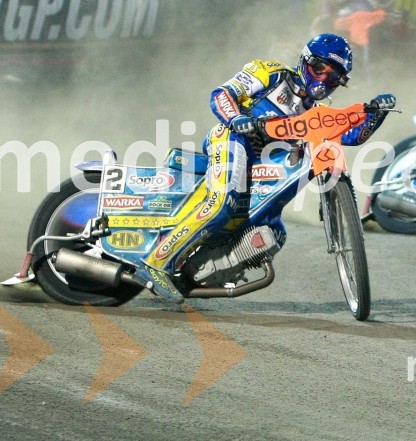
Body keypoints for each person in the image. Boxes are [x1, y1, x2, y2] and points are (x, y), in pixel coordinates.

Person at [136, 34, 396, 302]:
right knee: (224, 202)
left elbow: (351, 137)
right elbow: (222, 94)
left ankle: (194, 273)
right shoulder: (270, 73)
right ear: (305, 62)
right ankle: (155, 263)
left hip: (261, 163)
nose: (322, 79)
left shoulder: (317, 113)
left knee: (274, 233)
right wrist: (237, 118)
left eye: (332, 76)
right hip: (232, 138)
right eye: (319, 68)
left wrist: (377, 114)